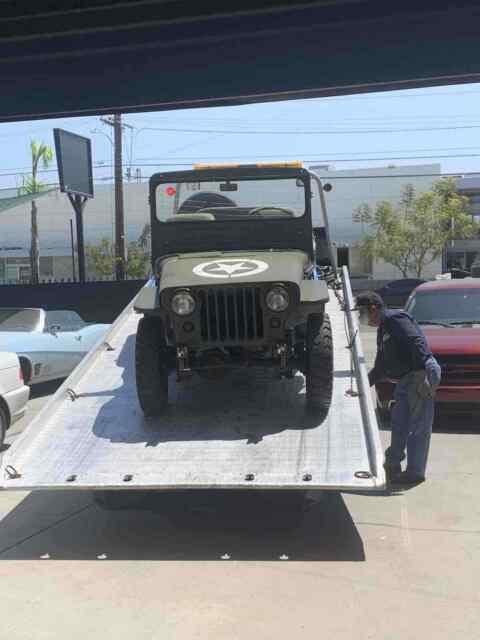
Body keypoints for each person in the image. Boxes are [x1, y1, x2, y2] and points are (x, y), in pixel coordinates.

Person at [355, 291, 441, 486]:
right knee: (399, 424)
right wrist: (361, 387)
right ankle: (393, 464)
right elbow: (380, 367)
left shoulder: (395, 318)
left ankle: (415, 473)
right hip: (405, 379)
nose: (361, 318)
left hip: (419, 373)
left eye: (362, 312)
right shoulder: (383, 330)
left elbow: (416, 342)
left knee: (419, 428)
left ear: (374, 308)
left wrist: (424, 375)